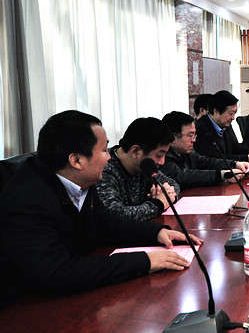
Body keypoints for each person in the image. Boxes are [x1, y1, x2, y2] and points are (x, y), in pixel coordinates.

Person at [0, 111, 198, 309]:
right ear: (76, 160)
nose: (109, 157)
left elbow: (105, 223)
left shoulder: (79, 179)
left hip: (69, 297)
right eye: (104, 150)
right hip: (23, 308)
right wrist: (144, 261)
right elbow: (56, 273)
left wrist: (156, 233)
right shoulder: (27, 200)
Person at [96, 117, 180, 221]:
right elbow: (115, 215)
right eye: (159, 155)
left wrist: (166, 194)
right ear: (135, 151)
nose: (162, 162)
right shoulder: (104, 169)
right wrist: (159, 204)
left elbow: (173, 184)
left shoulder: (144, 165)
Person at [161, 111, 248, 189]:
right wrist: (222, 175)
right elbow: (183, 176)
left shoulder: (187, 151)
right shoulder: (162, 156)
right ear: (173, 137)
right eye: (190, 135)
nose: (194, 140)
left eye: (194, 135)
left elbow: (206, 162)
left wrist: (234, 164)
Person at [194, 90, 249, 162]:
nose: (233, 118)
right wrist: (247, 158)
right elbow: (215, 157)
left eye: (234, 113)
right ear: (216, 111)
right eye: (231, 113)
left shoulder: (225, 123)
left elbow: (234, 147)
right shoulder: (200, 129)